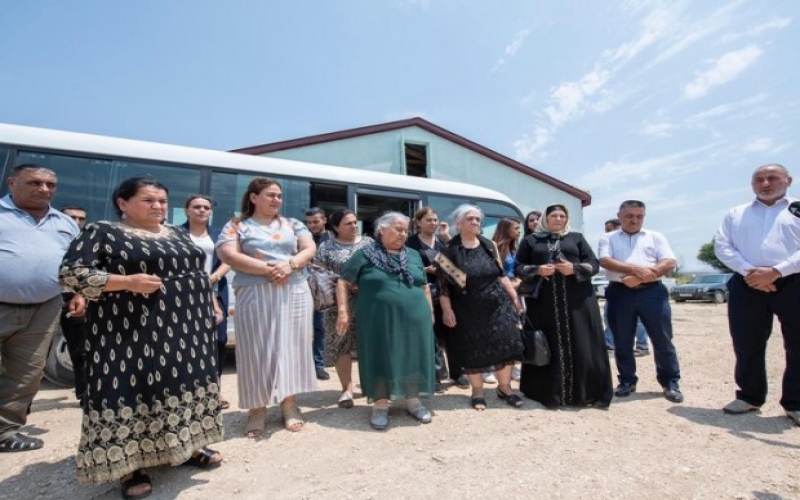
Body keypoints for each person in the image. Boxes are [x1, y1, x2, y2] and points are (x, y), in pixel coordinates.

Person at [59, 176, 224, 499]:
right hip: (129, 331)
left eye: (162, 201)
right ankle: (132, 465)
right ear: (123, 203)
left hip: (185, 330)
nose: (158, 206)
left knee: (180, 385)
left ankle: (186, 446)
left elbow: (196, 273)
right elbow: (71, 273)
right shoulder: (103, 232)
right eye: (149, 200)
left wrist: (210, 301)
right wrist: (126, 281)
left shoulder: (175, 232)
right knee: (133, 390)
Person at [216, 177, 316, 438]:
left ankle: (290, 404)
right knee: (255, 349)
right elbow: (228, 254)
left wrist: (290, 265)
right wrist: (270, 269)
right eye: (270, 195)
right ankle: (257, 409)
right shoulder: (237, 225)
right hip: (254, 292)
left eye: (279, 196)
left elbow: (309, 248)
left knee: (292, 346)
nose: (276, 200)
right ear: (253, 197)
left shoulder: (293, 224)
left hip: (293, 289)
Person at [0, 164, 80, 453]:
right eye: (34, 182)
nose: (44, 189)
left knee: (26, 372)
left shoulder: (64, 222)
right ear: (12, 183)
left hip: (45, 307)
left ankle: (6, 432)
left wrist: (77, 294)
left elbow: (74, 264)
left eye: (50, 185)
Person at [714, 164, 800, 424]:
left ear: (788, 180)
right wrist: (751, 273)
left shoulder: (797, 209)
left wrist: (776, 271)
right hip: (747, 284)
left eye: (772, 178)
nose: (765, 183)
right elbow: (722, 246)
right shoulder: (736, 213)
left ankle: (795, 402)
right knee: (746, 342)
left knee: (797, 344)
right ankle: (749, 396)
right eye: (759, 179)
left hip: (793, 281)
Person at [336, 211, 435, 430]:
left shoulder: (414, 255)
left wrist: (430, 313)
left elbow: (424, 285)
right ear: (382, 230)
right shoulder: (364, 255)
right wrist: (343, 311)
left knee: (412, 354)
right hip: (377, 319)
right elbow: (343, 282)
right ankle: (380, 405)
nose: (403, 234)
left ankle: (412, 400)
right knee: (380, 354)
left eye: (405, 231)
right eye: (398, 229)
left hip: (415, 318)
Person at [515, 204, 613, 408]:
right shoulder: (531, 240)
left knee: (582, 341)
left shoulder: (576, 238)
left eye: (562, 216)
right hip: (544, 303)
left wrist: (574, 268)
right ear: (546, 218)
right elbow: (518, 267)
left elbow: (594, 264)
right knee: (546, 343)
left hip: (578, 301)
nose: (559, 219)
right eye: (554, 215)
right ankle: (549, 393)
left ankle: (584, 393)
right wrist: (538, 270)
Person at [438, 204, 524, 411]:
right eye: (470, 219)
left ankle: (505, 388)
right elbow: (444, 287)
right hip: (467, 308)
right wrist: (447, 310)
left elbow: (501, 275)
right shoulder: (449, 252)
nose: (476, 222)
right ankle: (477, 391)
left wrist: (514, 298)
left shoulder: (489, 245)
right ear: (459, 224)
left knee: (506, 342)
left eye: (478, 219)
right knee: (473, 349)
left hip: (498, 305)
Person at [598, 200, 683, 403]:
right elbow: (605, 261)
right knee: (622, 340)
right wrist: (636, 270)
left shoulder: (655, 237)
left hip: (652, 292)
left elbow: (669, 261)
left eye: (639, 216)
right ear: (619, 216)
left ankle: (670, 382)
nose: (634, 220)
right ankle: (627, 381)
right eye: (629, 216)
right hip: (620, 293)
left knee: (662, 339)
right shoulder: (608, 238)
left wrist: (645, 275)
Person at [315, 209, 373, 409]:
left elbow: (379, 268)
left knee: (370, 344)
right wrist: (343, 283)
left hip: (367, 300)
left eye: (355, 222)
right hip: (337, 304)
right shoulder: (326, 247)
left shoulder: (369, 244)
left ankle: (372, 386)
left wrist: (363, 282)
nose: (354, 226)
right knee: (342, 344)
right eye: (348, 223)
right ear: (336, 227)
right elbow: (318, 274)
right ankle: (346, 390)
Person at [180, 194, 232, 409]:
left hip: (215, 293)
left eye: (206, 207)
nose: (201, 210)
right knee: (186, 344)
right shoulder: (175, 234)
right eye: (197, 207)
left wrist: (214, 278)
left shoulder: (218, 235)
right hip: (184, 295)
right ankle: (185, 393)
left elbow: (229, 259)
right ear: (187, 210)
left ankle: (214, 392)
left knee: (217, 344)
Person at [407, 207, 465, 388]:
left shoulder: (441, 242)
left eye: (435, 219)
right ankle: (436, 375)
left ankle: (458, 372)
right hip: (422, 293)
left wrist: (447, 237)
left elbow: (454, 266)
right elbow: (405, 267)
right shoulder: (411, 243)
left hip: (445, 293)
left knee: (452, 332)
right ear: (418, 222)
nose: (433, 223)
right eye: (429, 220)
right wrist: (426, 270)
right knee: (430, 335)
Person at [57, 205, 91, 403]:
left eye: (81, 218)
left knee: (81, 352)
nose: (76, 222)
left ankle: (84, 396)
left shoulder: (87, 244)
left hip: (75, 299)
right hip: (46, 300)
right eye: (72, 218)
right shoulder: (52, 240)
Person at [602, 218, 650, 356]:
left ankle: (642, 346)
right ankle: (609, 343)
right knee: (610, 316)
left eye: (609, 230)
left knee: (638, 320)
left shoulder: (633, 244)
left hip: (637, 286)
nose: (606, 233)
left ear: (618, 227)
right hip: (616, 287)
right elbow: (606, 262)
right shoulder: (608, 243)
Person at [492, 217, 523, 382]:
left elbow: (519, 270)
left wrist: (518, 282)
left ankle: (511, 365)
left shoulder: (514, 249)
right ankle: (492, 365)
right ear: (505, 229)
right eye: (516, 228)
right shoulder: (495, 248)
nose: (519, 231)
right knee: (496, 330)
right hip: (499, 294)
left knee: (513, 330)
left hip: (515, 293)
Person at [305, 207, 331, 381]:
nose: (312, 225)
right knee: (303, 329)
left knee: (321, 328)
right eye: (309, 222)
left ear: (324, 220)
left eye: (315, 221)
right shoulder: (303, 238)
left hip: (324, 289)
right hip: (303, 287)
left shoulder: (333, 239)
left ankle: (319, 364)